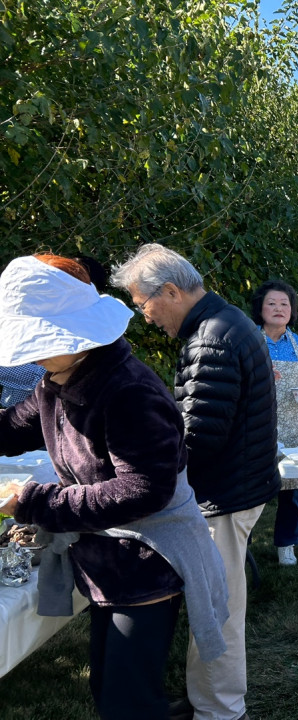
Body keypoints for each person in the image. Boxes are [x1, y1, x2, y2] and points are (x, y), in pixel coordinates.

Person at [0, 255, 228, 720]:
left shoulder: (127, 390)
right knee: (110, 689)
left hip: (147, 560)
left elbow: (143, 489)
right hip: (109, 559)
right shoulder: (59, 377)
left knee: (126, 702)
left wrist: (35, 501)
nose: (31, 355)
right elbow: (12, 427)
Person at [112, 244, 279, 720]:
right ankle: (209, 699)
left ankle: (221, 710)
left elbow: (200, 436)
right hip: (234, 485)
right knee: (217, 602)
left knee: (217, 610)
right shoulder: (220, 323)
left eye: (143, 304)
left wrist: (144, 457)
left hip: (224, 492)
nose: (144, 317)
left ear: (170, 291)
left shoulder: (211, 338)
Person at [251, 280, 298, 567]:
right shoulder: (248, 340)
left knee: (291, 491)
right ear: (260, 309)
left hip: (292, 426)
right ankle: (242, 544)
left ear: (292, 310)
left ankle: (286, 544)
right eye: (272, 303)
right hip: (254, 426)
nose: (279, 308)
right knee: (249, 490)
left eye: (284, 304)